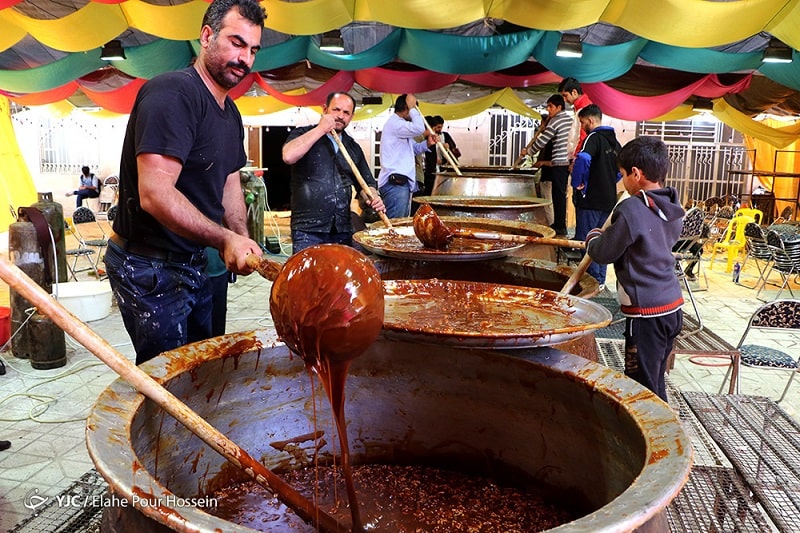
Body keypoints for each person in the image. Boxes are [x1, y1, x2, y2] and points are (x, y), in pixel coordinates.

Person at [104, 0, 266, 365]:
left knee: (203, 368)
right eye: (236, 43)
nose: (246, 59)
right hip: (149, 267)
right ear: (206, 36)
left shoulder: (230, 112)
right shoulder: (173, 94)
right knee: (169, 381)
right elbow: (155, 194)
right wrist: (224, 238)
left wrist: (240, 234)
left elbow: (229, 184)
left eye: (253, 50)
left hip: (193, 261)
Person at [584, 136, 685, 402]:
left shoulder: (631, 209)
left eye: (622, 175)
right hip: (671, 307)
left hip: (647, 315)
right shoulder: (673, 207)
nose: (622, 182)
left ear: (636, 174)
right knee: (655, 376)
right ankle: (659, 424)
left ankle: (656, 435)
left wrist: (593, 235)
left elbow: (603, 252)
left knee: (642, 385)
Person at [282, 92, 385, 254]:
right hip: (308, 229)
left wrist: (373, 197)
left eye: (346, 113)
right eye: (336, 110)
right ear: (324, 109)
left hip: (342, 229)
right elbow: (288, 156)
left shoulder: (353, 147)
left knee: (338, 278)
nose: (340, 116)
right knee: (310, 278)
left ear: (351, 117)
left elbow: (367, 186)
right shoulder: (303, 134)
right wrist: (321, 129)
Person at [570, 104, 622, 288]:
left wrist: (578, 183)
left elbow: (583, 158)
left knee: (589, 241)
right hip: (608, 201)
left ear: (590, 121)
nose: (583, 126)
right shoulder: (615, 143)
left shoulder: (593, 138)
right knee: (603, 241)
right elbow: (621, 170)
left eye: (583, 122)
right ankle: (599, 281)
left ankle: (591, 283)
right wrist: (609, 181)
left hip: (590, 200)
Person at [520, 94, 572, 236]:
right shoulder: (569, 119)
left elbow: (542, 141)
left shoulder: (555, 121)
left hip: (560, 162)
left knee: (558, 195)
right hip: (565, 162)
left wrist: (528, 151)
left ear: (559, 107)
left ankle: (560, 226)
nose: (548, 110)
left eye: (551, 107)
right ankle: (559, 223)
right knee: (559, 194)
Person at [378, 94, 436, 219]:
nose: (416, 113)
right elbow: (419, 127)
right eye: (414, 109)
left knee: (400, 222)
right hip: (395, 184)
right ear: (406, 108)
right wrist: (412, 106)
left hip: (400, 184)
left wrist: (427, 143)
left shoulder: (400, 126)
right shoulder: (396, 124)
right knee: (394, 225)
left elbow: (414, 149)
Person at [421, 115, 460, 196]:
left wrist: (448, 146)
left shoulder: (445, 135)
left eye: (441, 127)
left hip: (442, 169)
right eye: (437, 127)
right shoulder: (427, 138)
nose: (439, 129)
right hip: (431, 171)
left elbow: (453, 147)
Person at [558, 77, 594, 157]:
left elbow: (583, 137)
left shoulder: (585, 108)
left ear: (574, 92)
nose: (564, 100)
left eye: (565, 95)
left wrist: (576, 157)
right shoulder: (581, 107)